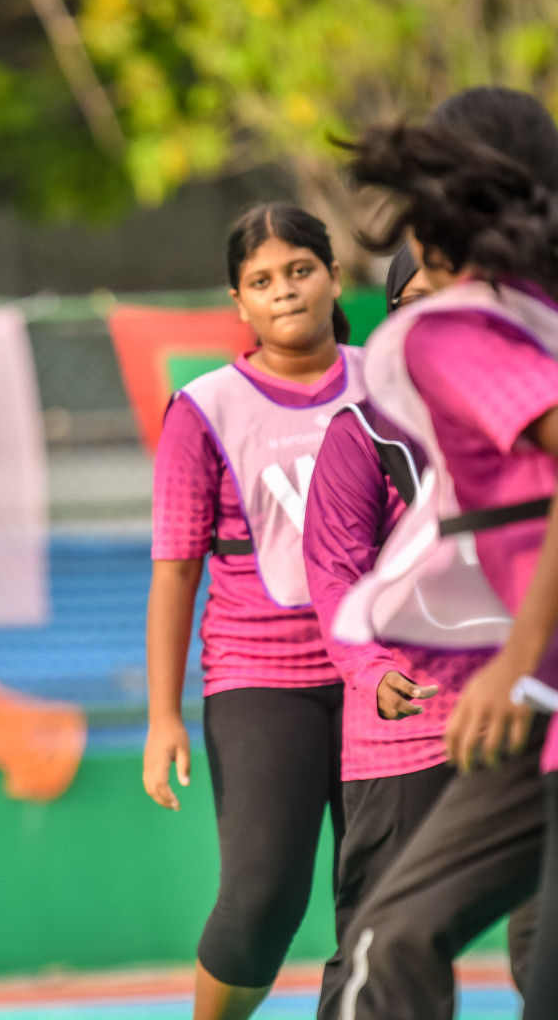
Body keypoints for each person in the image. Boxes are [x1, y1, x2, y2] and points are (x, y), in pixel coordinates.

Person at [329, 85, 558, 1019]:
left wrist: (514, 659)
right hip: (539, 707)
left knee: (390, 948)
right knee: (419, 940)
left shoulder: (458, 335)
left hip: (536, 685)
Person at [303, 245, 532, 1019]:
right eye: (417, 304)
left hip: (530, 714)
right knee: (381, 942)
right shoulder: (363, 434)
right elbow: (333, 575)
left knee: (543, 953)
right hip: (409, 725)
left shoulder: (525, 413)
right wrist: (370, 671)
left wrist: (522, 663)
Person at [144, 204, 360, 1020]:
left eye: (300, 270)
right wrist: (164, 715)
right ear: (238, 303)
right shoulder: (204, 408)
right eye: (261, 281)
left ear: (334, 277)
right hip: (261, 678)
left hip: (386, 680)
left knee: (382, 897)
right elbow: (175, 571)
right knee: (264, 897)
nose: (285, 292)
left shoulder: (391, 384)